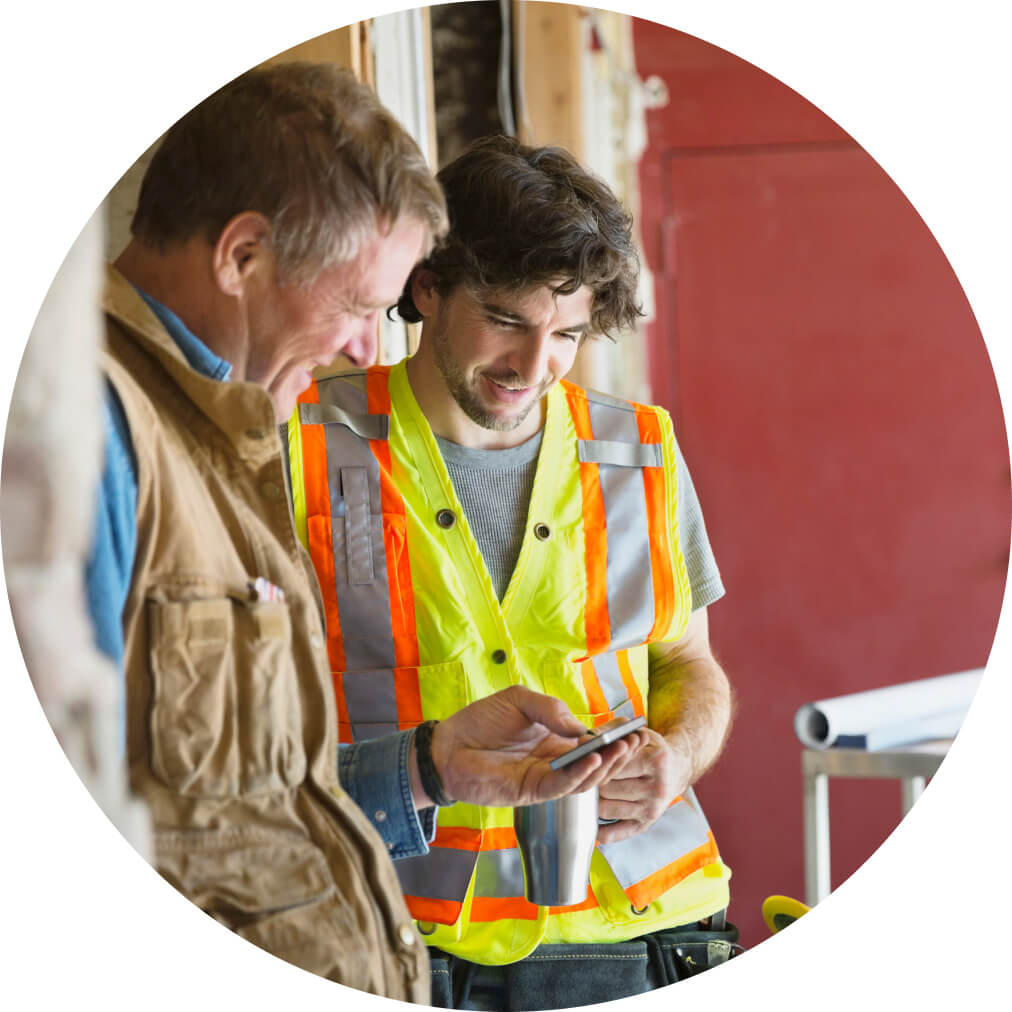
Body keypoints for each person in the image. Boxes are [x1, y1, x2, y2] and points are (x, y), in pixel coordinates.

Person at [84, 64, 637, 1001]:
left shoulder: (224, 425)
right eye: (352, 304)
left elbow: (239, 801)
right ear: (242, 255)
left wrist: (432, 766)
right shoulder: (87, 430)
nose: (363, 347)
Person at [286, 135, 737, 1009]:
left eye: (566, 335)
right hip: (402, 937)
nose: (535, 370)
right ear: (427, 287)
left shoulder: (640, 450)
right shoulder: (300, 441)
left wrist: (678, 754)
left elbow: (688, 666)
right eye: (506, 320)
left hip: (642, 931)